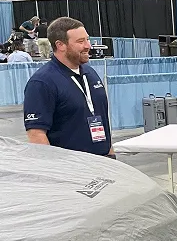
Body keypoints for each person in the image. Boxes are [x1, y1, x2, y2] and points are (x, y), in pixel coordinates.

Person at [23, 17, 114, 158]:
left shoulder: (90, 74)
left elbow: (102, 119)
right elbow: (36, 135)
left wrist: (111, 155)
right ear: (60, 45)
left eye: (87, 39)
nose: (88, 46)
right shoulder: (42, 83)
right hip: (71, 170)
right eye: (80, 41)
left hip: (104, 163)